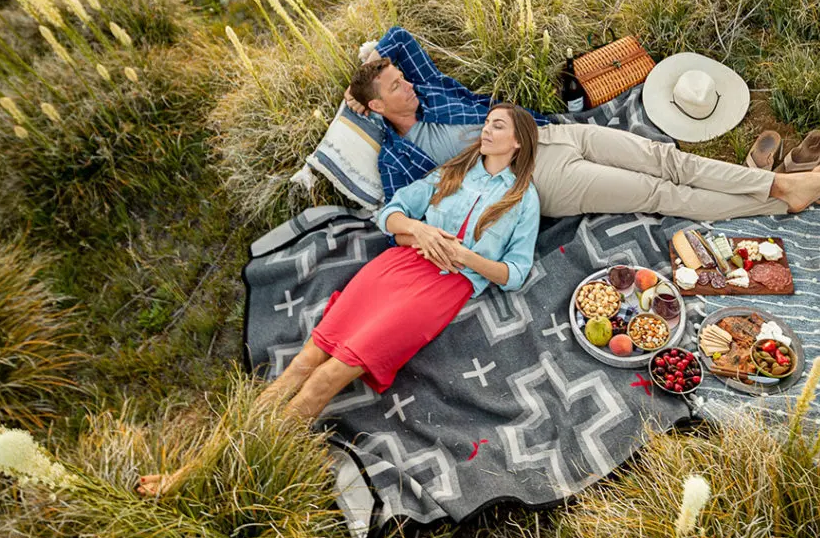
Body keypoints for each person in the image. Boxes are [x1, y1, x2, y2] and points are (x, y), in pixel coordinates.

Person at [137, 103, 540, 497]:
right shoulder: (454, 171)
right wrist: (420, 231)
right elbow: (391, 213)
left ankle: (206, 478)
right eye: (487, 123)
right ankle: (193, 467)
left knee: (327, 379)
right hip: (395, 268)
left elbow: (515, 273)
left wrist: (468, 258)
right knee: (302, 363)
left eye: (498, 126)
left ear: (518, 142)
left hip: (439, 289)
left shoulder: (523, 200)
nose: (486, 130)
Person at [345, 26, 820, 223]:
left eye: (401, 79)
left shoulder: (432, 96)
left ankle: (782, 184)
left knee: (666, 158)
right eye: (393, 87)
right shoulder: (397, 157)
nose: (406, 86)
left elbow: (400, 39)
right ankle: (779, 196)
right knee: (658, 194)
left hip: (554, 133)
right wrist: (357, 109)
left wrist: (367, 71)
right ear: (376, 108)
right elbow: (398, 211)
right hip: (535, 180)